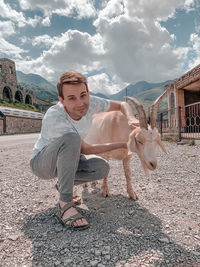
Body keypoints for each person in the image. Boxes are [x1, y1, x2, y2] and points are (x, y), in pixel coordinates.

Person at [30, 71, 139, 231]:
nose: (80, 103)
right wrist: (121, 144)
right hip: (43, 163)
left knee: (101, 167)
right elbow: (83, 147)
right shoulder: (55, 116)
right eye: (72, 98)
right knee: (72, 138)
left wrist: (130, 118)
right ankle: (65, 204)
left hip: (67, 158)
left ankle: (63, 184)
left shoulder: (92, 103)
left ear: (88, 93)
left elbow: (122, 105)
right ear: (62, 100)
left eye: (83, 95)